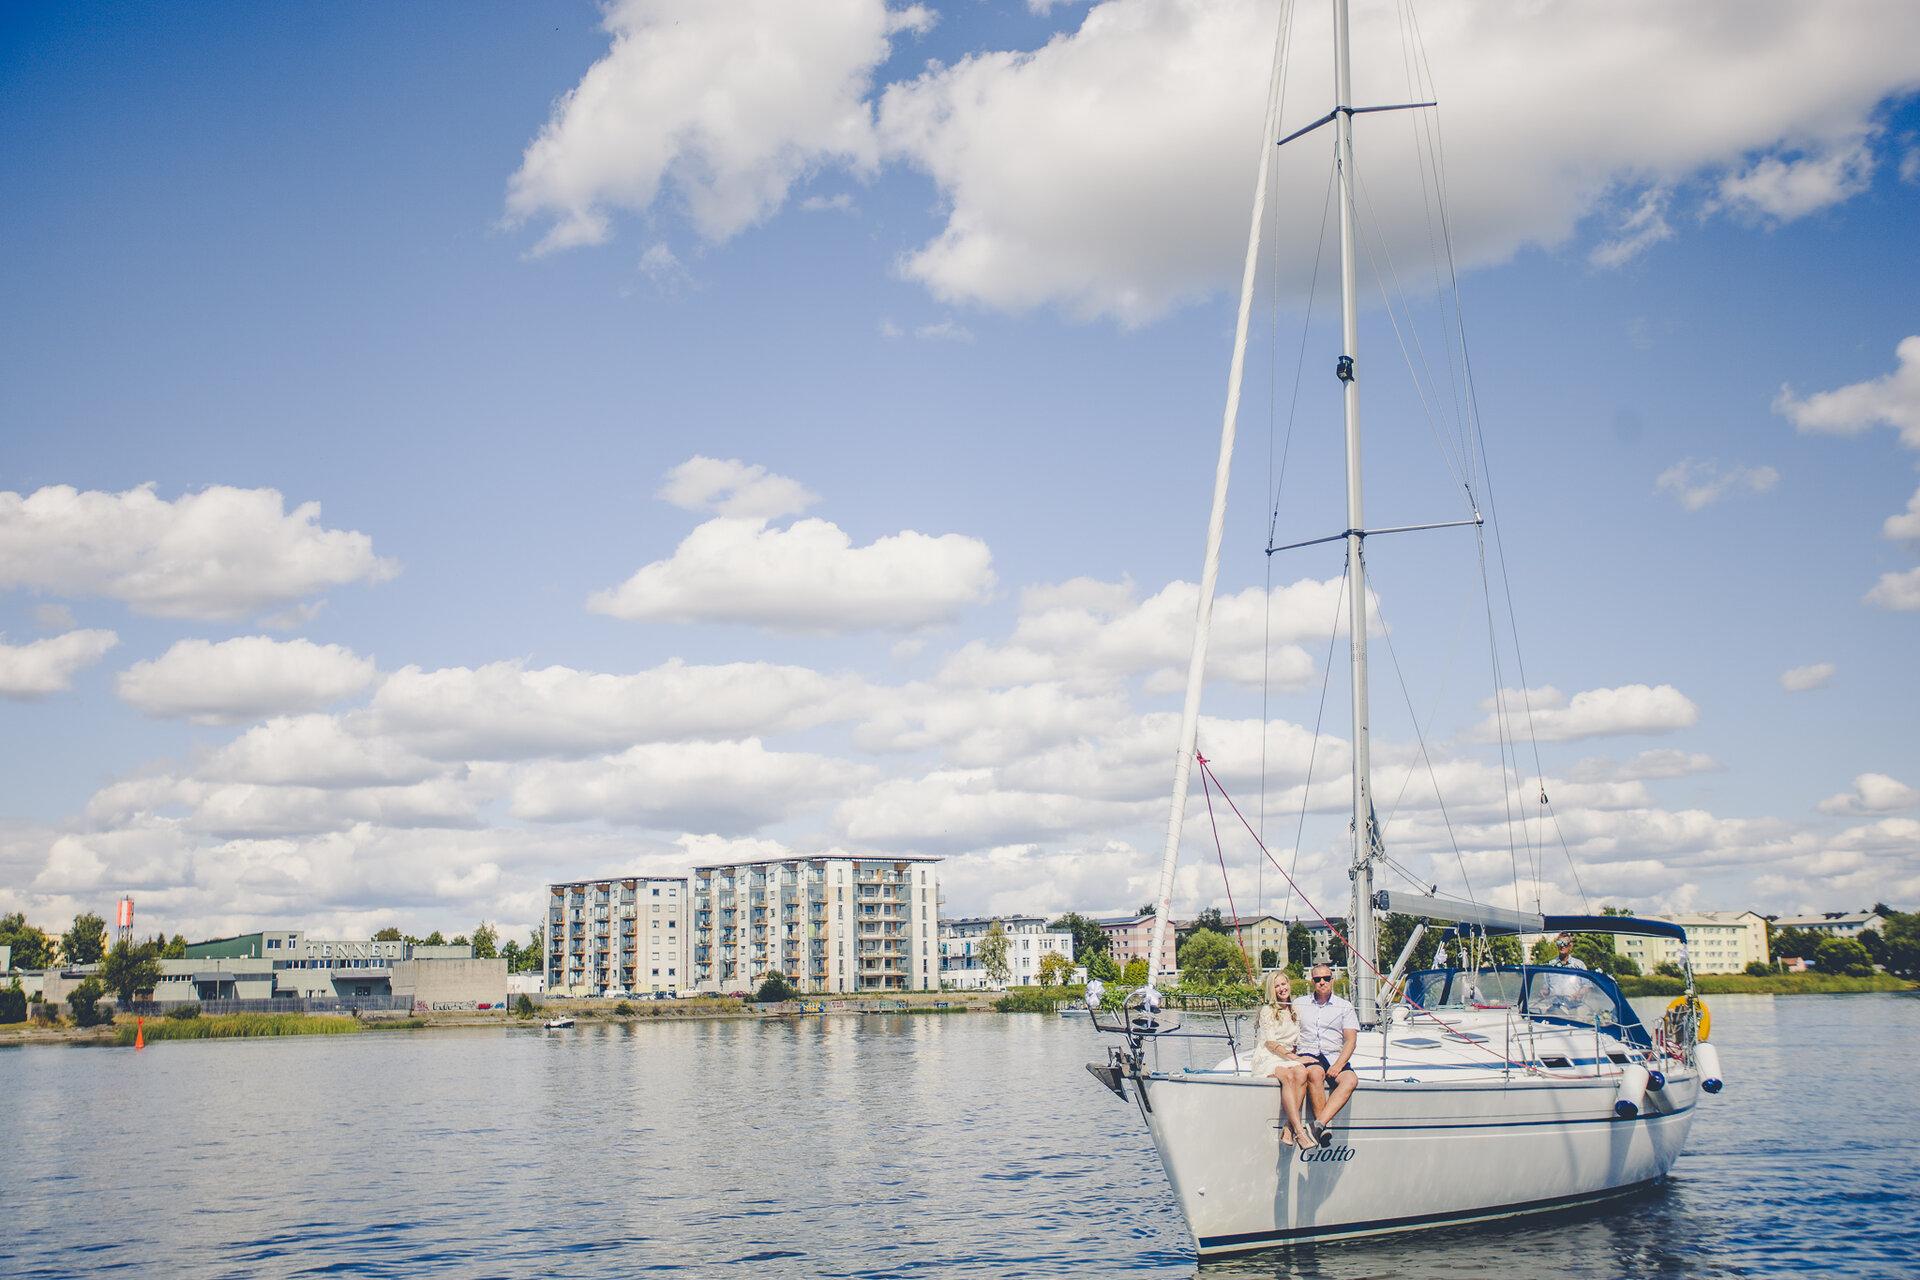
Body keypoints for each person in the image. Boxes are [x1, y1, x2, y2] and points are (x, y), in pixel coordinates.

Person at [1249, 971, 1317, 1149]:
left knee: (1302, 1072)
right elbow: (1271, 1043)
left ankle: (1288, 1128)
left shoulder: (1294, 1010)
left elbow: (1296, 1040)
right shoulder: (1268, 1011)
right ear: (1272, 990)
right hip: (1269, 1056)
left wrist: (1300, 1057)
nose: (1282, 988)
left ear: (1289, 984)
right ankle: (1300, 1132)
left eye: (1283, 984)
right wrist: (1295, 1058)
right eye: (1277, 986)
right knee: (1288, 1076)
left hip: (1286, 1057)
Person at [1295, 963, 1360, 1137]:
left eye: (1326, 978)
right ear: (1312, 981)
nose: (1322, 982)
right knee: (1315, 1074)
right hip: (1309, 1054)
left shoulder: (1344, 1006)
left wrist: (1339, 1065)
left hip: (1333, 1056)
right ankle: (1323, 1131)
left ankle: (1319, 1124)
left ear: (1332, 980)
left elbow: (1350, 1040)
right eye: (1317, 979)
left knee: (1351, 1080)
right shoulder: (1299, 1004)